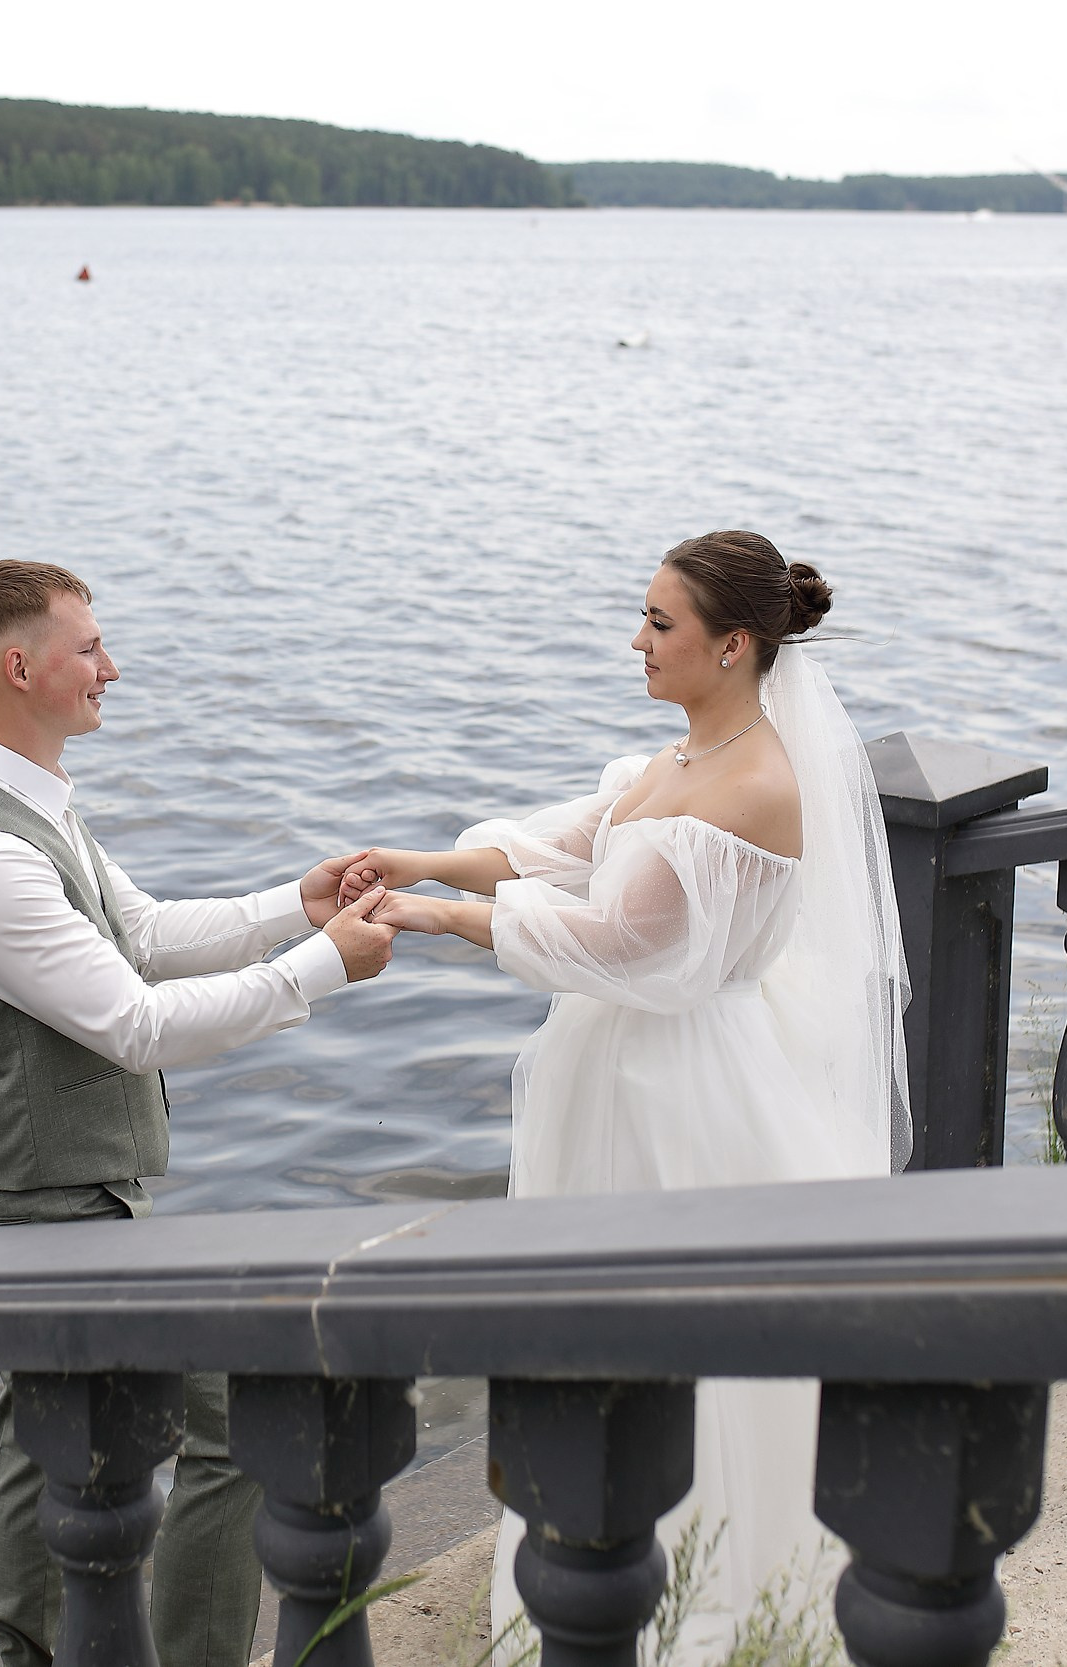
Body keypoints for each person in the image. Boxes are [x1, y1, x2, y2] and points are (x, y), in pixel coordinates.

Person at [340, 531, 909, 1664]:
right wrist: (417, 863)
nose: (635, 641)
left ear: (732, 644)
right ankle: (584, 1570)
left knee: (679, 1350)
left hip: (683, 1088)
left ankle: (701, 1611)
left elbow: (621, 941)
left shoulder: (755, 785)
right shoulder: (680, 756)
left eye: (659, 622)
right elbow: (558, 851)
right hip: (609, 1073)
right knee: (587, 1339)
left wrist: (437, 919)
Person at [0, 558, 395, 1667]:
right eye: (89, 649)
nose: (110, 669)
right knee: (225, 1422)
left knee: (51, 1435)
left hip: (63, 1188)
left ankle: (34, 1646)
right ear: (19, 668)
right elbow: (134, 1021)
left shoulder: (32, 807)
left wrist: (293, 905)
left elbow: (147, 934)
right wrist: (321, 966)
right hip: (41, 1202)